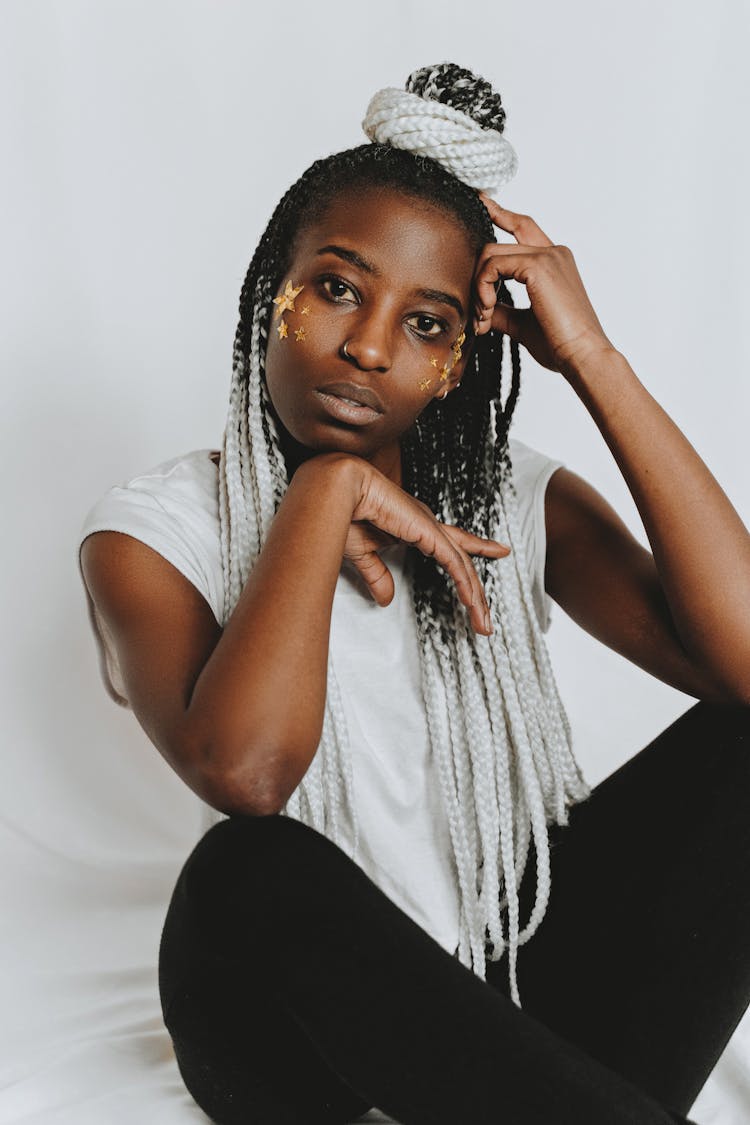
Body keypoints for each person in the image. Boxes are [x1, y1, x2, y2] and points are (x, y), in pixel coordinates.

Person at [77, 63, 750, 1125]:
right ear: (271, 295)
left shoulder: (514, 498)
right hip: (292, 1040)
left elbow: (745, 665)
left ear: (459, 361)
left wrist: (593, 358)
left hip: (517, 989)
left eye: (428, 324)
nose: (369, 345)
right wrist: (323, 499)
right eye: (338, 288)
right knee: (241, 868)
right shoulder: (153, 533)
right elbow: (244, 773)